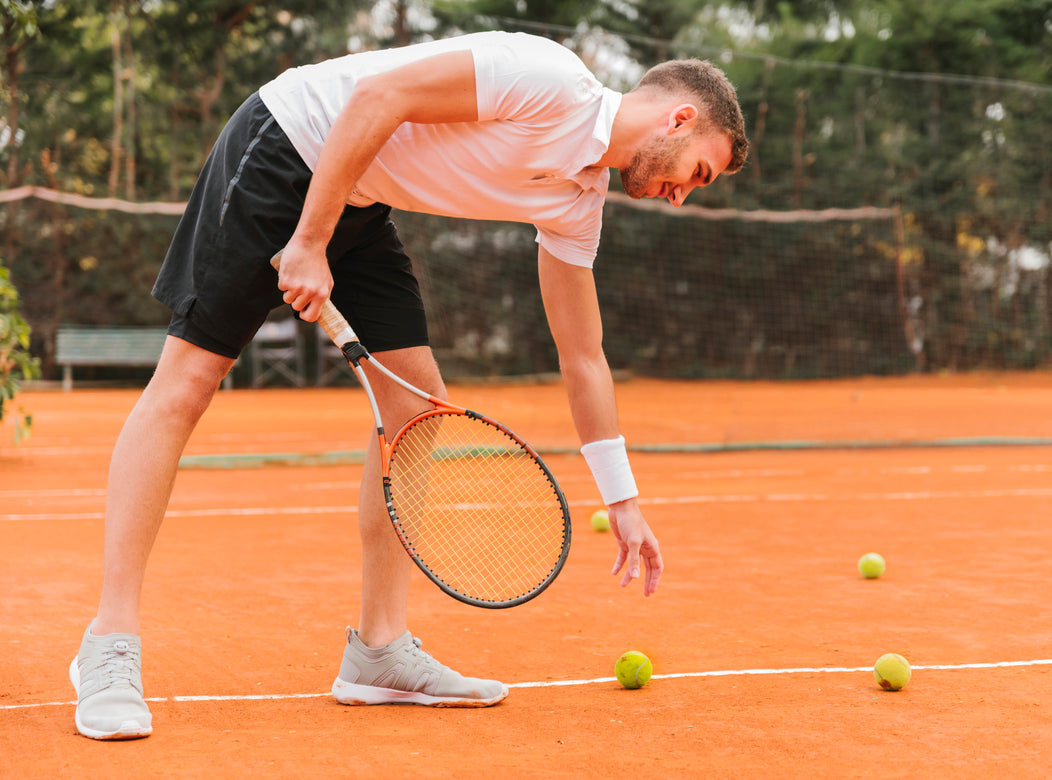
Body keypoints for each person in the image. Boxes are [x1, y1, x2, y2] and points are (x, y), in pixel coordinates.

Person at [69, 30, 749, 740]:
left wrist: (624, 500)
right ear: (679, 120)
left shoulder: (578, 203)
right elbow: (378, 95)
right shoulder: (549, 78)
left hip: (357, 196)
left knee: (416, 407)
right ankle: (108, 646)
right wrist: (307, 239)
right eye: (699, 173)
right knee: (189, 381)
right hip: (287, 143)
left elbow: (584, 357)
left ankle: (377, 652)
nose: (680, 198)